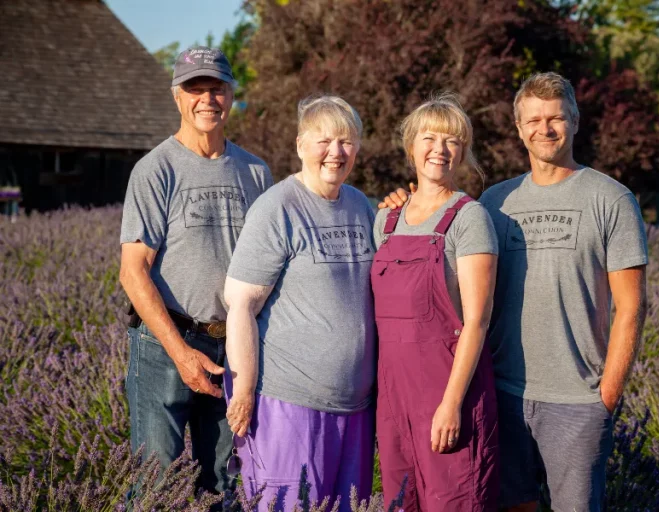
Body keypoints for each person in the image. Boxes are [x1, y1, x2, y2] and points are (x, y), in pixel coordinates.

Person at [382, 73, 648, 512]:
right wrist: (402, 202)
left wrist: (607, 396)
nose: (545, 129)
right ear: (519, 128)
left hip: (577, 400)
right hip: (501, 391)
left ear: (575, 120)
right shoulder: (493, 203)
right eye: (534, 120)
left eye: (556, 118)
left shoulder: (611, 199)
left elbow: (632, 307)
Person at [119, 46, 273, 498]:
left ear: (230, 94)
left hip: (235, 347)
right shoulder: (155, 170)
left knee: (225, 483)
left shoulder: (256, 173)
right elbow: (133, 272)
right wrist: (182, 355)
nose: (207, 99)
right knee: (155, 483)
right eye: (195, 89)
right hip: (166, 343)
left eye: (217, 88)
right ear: (177, 96)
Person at [223, 95, 376, 511]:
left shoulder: (362, 207)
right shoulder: (277, 208)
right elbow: (240, 304)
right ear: (300, 146)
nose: (336, 152)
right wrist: (244, 391)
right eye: (324, 140)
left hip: (354, 406)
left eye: (346, 141)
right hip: (288, 404)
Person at [372, 94, 499, 511]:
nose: (439, 150)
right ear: (411, 147)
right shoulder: (385, 221)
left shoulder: (469, 218)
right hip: (393, 401)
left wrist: (450, 405)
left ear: (463, 151)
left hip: (448, 394)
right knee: (399, 502)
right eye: (429, 138)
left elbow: (477, 322)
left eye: (451, 141)